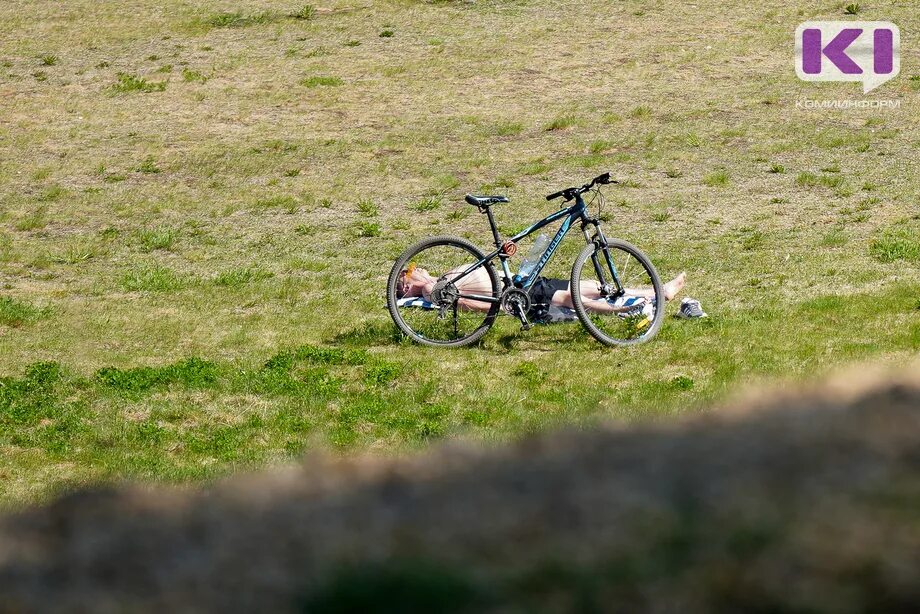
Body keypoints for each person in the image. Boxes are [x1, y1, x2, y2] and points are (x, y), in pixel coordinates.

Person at [396, 263, 687, 316]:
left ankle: (659, 292)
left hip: (520, 283)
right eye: (412, 272)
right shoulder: (430, 290)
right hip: (514, 295)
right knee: (572, 298)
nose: (418, 269)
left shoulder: (440, 279)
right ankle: (623, 310)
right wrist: (505, 307)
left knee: (592, 286)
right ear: (408, 285)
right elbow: (472, 304)